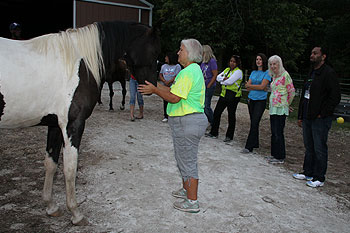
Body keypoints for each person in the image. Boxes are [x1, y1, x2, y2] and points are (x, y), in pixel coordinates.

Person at [138, 39, 207, 213]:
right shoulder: (191, 70)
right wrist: (158, 87)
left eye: (181, 49)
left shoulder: (188, 72)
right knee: (182, 158)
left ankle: (192, 202)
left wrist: (155, 90)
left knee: (188, 161)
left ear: (189, 53)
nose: (178, 52)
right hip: (187, 121)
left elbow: (174, 98)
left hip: (188, 121)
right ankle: (186, 190)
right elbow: (173, 92)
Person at [293, 46, 341, 188]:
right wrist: (301, 115)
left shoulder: (328, 73)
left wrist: (323, 113)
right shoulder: (311, 72)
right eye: (311, 53)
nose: (312, 55)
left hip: (320, 118)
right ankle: (308, 171)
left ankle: (319, 177)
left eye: (315, 53)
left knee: (319, 147)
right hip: (307, 115)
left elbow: (335, 97)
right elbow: (304, 95)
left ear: (323, 56)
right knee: (309, 146)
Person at [206, 55, 243, 143]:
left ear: (237, 63)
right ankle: (214, 132)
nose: (232, 63)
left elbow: (230, 82)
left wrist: (223, 80)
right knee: (217, 113)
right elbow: (218, 77)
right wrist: (224, 79)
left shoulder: (238, 72)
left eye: (234, 61)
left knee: (231, 115)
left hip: (233, 96)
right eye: (231, 61)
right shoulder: (227, 70)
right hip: (224, 94)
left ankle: (229, 136)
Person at [267, 55, 295, 164]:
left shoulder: (285, 75)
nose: (273, 66)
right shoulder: (274, 76)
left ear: (279, 63)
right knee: (273, 132)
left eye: (275, 64)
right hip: (273, 107)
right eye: (271, 64)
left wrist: (287, 104)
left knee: (279, 132)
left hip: (281, 108)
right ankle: (274, 154)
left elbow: (291, 92)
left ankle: (280, 156)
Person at [242, 53, 271, 153]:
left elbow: (263, 87)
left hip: (260, 100)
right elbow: (247, 86)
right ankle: (255, 142)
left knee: (255, 122)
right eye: (257, 59)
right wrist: (254, 86)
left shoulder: (267, 73)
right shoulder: (253, 72)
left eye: (260, 59)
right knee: (254, 122)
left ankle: (248, 146)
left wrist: (251, 86)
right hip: (251, 99)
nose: (258, 61)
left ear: (264, 61)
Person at [159, 52, 182, 122]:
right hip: (165, 85)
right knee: (165, 100)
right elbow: (160, 74)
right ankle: (166, 115)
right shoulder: (163, 66)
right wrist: (164, 81)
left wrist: (169, 81)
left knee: (173, 100)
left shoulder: (177, 66)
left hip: (173, 86)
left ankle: (173, 114)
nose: (165, 58)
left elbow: (177, 76)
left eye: (166, 57)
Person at [200, 45, 218, 126]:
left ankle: (213, 122)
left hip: (209, 86)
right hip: (203, 86)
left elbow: (215, 74)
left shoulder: (212, 61)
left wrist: (209, 85)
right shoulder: (203, 62)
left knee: (207, 105)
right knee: (203, 105)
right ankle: (207, 121)